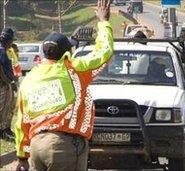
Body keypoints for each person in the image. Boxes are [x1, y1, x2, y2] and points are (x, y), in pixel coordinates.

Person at [14, 0, 113, 171]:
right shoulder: (73, 70)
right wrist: (103, 22)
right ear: (67, 53)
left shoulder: (29, 80)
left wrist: (22, 156)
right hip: (63, 147)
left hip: (37, 146)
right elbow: (104, 52)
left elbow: (21, 122)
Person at [0, 28, 17, 141]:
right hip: (3, 84)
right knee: (3, 108)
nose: (12, 43)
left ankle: (6, 129)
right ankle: (2, 131)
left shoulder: (7, 50)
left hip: (8, 83)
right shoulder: (1, 50)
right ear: (6, 40)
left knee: (10, 106)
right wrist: (8, 81)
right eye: (11, 40)